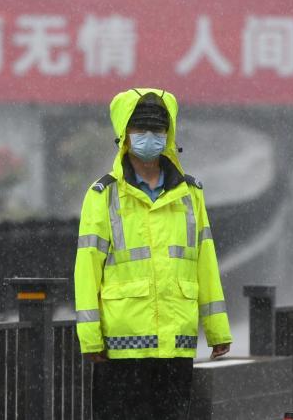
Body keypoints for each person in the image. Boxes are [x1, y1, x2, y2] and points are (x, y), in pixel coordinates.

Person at [74, 87, 232, 419]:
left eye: (157, 130)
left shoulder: (191, 194)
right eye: (140, 129)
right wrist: (90, 337)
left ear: (169, 133)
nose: (149, 137)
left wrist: (217, 329)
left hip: (175, 344)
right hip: (120, 347)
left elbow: (205, 263)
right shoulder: (103, 195)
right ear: (124, 134)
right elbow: (87, 268)